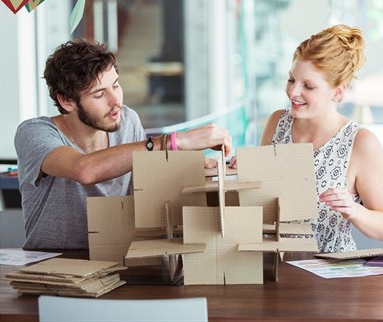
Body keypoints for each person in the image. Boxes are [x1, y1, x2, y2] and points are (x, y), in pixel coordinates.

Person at [15, 38, 232, 250]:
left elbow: (146, 187)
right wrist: (176, 141)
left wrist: (192, 166)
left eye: (116, 85)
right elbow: (84, 169)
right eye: (99, 94)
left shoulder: (127, 120)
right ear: (67, 101)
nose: (115, 101)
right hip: (53, 265)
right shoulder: (34, 133)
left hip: (117, 258)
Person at [232, 24, 383, 252]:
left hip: (331, 275)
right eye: (291, 80)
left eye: (308, 86)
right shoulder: (277, 123)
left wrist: (353, 209)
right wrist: (245, 173)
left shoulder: (360, 142)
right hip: (275, 266)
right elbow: (260, 201)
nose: (293, 92)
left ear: (337, 92)